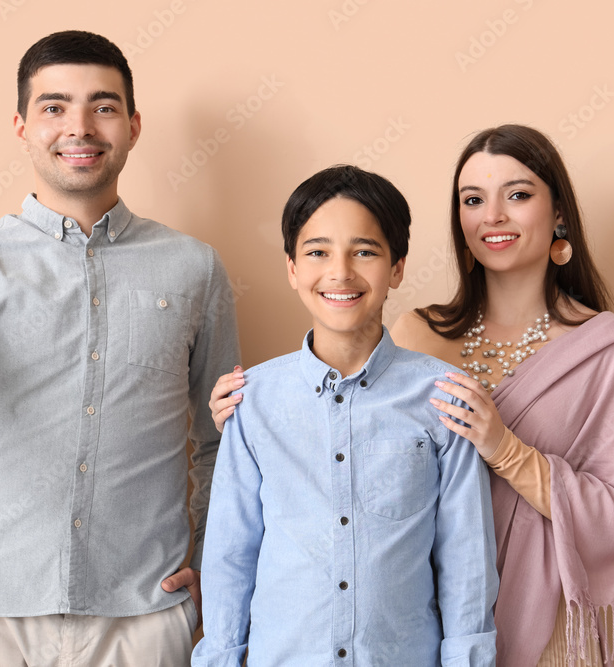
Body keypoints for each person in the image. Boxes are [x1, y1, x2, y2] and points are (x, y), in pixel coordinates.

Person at [210, 126, 614, 667]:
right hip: (407, 631)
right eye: (473, 200)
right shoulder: (417, 332)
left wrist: (505, 449)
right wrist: (252, 412)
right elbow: (338, 406)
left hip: (535, 621)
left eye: (518, 195)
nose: (492, 216)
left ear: (559, 214)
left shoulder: (606, 351)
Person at [0, 30, 240, 666]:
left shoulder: (195, 268)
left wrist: (212, 565)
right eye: (54, 106)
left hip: (142, 613)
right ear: (21, 125)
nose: (80, 127)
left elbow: (221, 439)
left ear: (133, 124)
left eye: (104, 106)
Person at [193, 165, 498, 666]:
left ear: (397, 266)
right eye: (317, 252)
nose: (340, 271)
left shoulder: (443, 399)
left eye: (364, 251)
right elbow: (231, 555)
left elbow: (467, 560)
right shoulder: (253, 403)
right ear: (292, 268)